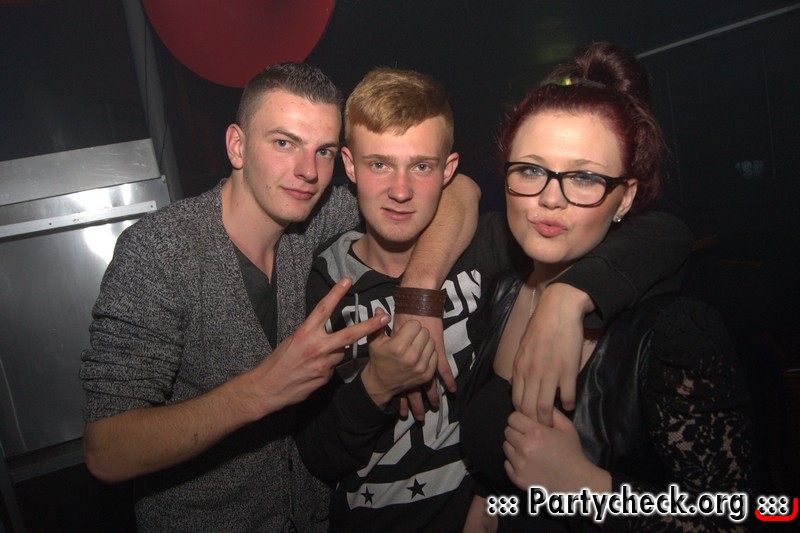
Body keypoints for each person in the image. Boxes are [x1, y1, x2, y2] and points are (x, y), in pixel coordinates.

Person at [79, 62, 481, 532]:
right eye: (284, 143)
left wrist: (418, 290)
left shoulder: (316, 218)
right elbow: (106, 450)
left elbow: (457, 189)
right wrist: (262, 389)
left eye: (323, 150)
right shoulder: (162, 251)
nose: (308, 171)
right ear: (237, 146)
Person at [295, 67, 694, 531]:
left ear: (447, 171)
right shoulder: (328, 280)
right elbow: (317, 456)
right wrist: (376, 385)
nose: (400, 191)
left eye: (422, 166)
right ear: (349, 165)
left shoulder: (488, 252)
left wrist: (564, 296)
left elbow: (663, 232)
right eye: (379, 164)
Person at [460, 42, 756, 531]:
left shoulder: (675, 335)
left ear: (624, 199)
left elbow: (735, 520)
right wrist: (492, 500)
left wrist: (586, 488)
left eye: (584, 177)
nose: (550, 198)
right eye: (531, 170)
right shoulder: (503, 293)